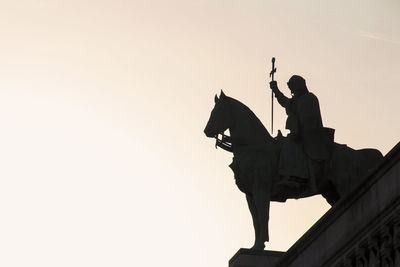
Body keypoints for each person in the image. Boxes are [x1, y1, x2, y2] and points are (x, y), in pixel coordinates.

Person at [269, 75, 334, 193]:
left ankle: (293, 177)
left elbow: (309, 118)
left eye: (293, 88)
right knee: (284, 143)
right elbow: (286, 103)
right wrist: (276, 90)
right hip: (300, 133)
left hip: (311, 135)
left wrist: (297, 129)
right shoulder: (297, 100)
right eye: (291, 89)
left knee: (289, 145)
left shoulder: (309, 98)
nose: (292, 91)